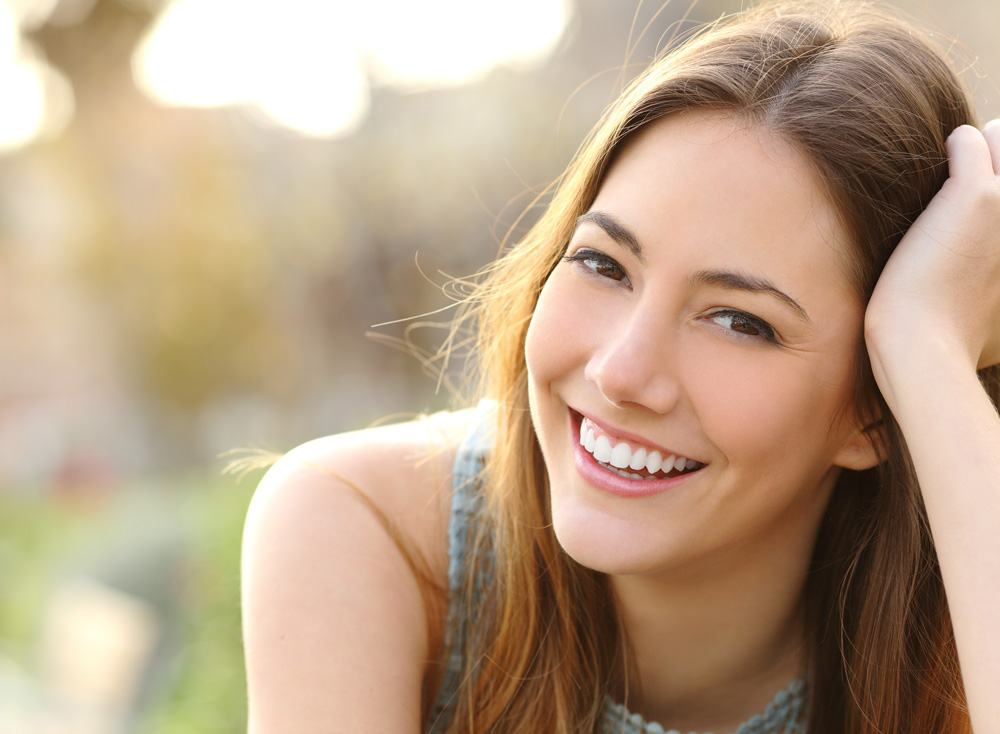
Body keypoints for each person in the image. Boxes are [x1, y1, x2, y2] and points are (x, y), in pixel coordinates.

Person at [239, 0, 1000, 731]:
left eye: (739, 321)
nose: (621, 371)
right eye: (604, 265)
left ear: (874, 410)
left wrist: (930, 355)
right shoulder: (368, 530)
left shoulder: (961, 615)